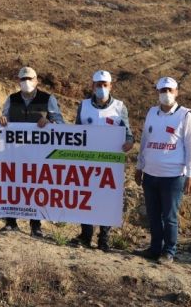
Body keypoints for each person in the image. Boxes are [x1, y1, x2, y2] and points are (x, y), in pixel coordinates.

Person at [136, 76, 191, 263]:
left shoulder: (186, 116)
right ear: (158, 92)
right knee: (153, 215)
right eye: (163, 90)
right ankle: (155, 248)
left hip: (173, 177)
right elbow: (145, 141)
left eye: (170, 90)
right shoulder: (152, 113)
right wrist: (140, 166)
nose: (167, 94)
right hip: (150, 174)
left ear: (176, 91)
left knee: (169, 217)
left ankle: (169, 251)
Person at [70, 70, 134, 251]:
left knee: (107, 198)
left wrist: (129, 142)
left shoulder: (120, 107)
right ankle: (85, 235)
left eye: (105, 85)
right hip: (86, 162)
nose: (102, 88)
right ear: (92, 86)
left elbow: (128, 133)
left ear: (111, 86)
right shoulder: (83, 106)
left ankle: (104, 238)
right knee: (85, 197)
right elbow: (76, 132)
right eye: (98, 85)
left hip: (109, 164)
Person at [0, 66, 64, 237]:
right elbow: (4, 119)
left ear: (36, 80)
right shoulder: (12, 99)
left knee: (37, 187)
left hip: (38, 153)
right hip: (14, 152)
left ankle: (36, 225)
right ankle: (11, 222)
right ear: (18, 82)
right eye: (23, 79)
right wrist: (2, 119)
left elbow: (60, 123)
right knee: (12, 185)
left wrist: (48, 121)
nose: (26, 82)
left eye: (30, 79)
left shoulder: (48, 99)